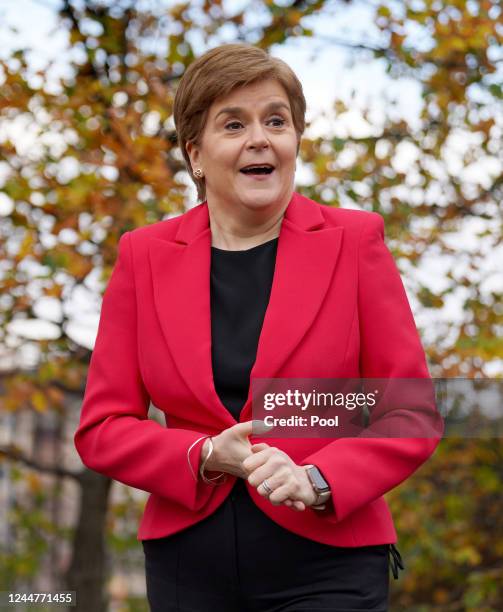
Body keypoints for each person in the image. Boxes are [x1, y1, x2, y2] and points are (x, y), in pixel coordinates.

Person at [74, 43, 443, 611]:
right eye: (233, 124)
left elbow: (409, 410)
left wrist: (318, 476)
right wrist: (200, 454)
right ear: (195, 152)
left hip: (330, 563)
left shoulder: (355, 241)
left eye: (277, 120)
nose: (260, 138)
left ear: (296, 140)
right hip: (186, 564)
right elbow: (102, 426)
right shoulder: (142, 255)